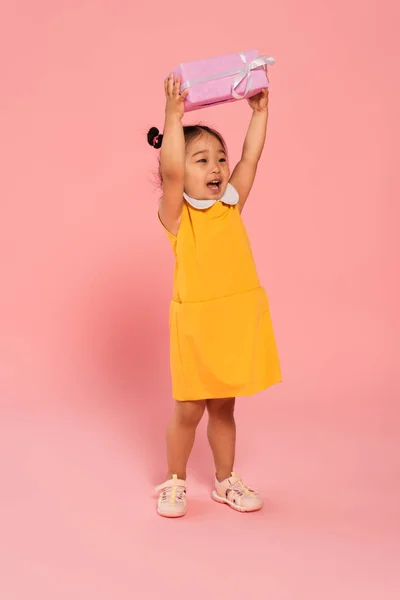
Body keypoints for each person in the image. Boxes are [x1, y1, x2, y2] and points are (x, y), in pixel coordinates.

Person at [147, 73, 281, 518]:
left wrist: (260, 113)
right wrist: (173, 116)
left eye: (218, 159)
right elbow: (169, 170)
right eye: (200, 160)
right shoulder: (177, 216)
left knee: (224, 409)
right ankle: (175, 480)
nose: (217, 167)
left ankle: (225, 481)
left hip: (233, 322)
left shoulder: (230, 204)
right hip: (196, 329)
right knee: (188, 411)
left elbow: (251, 157)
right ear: (180, 172)